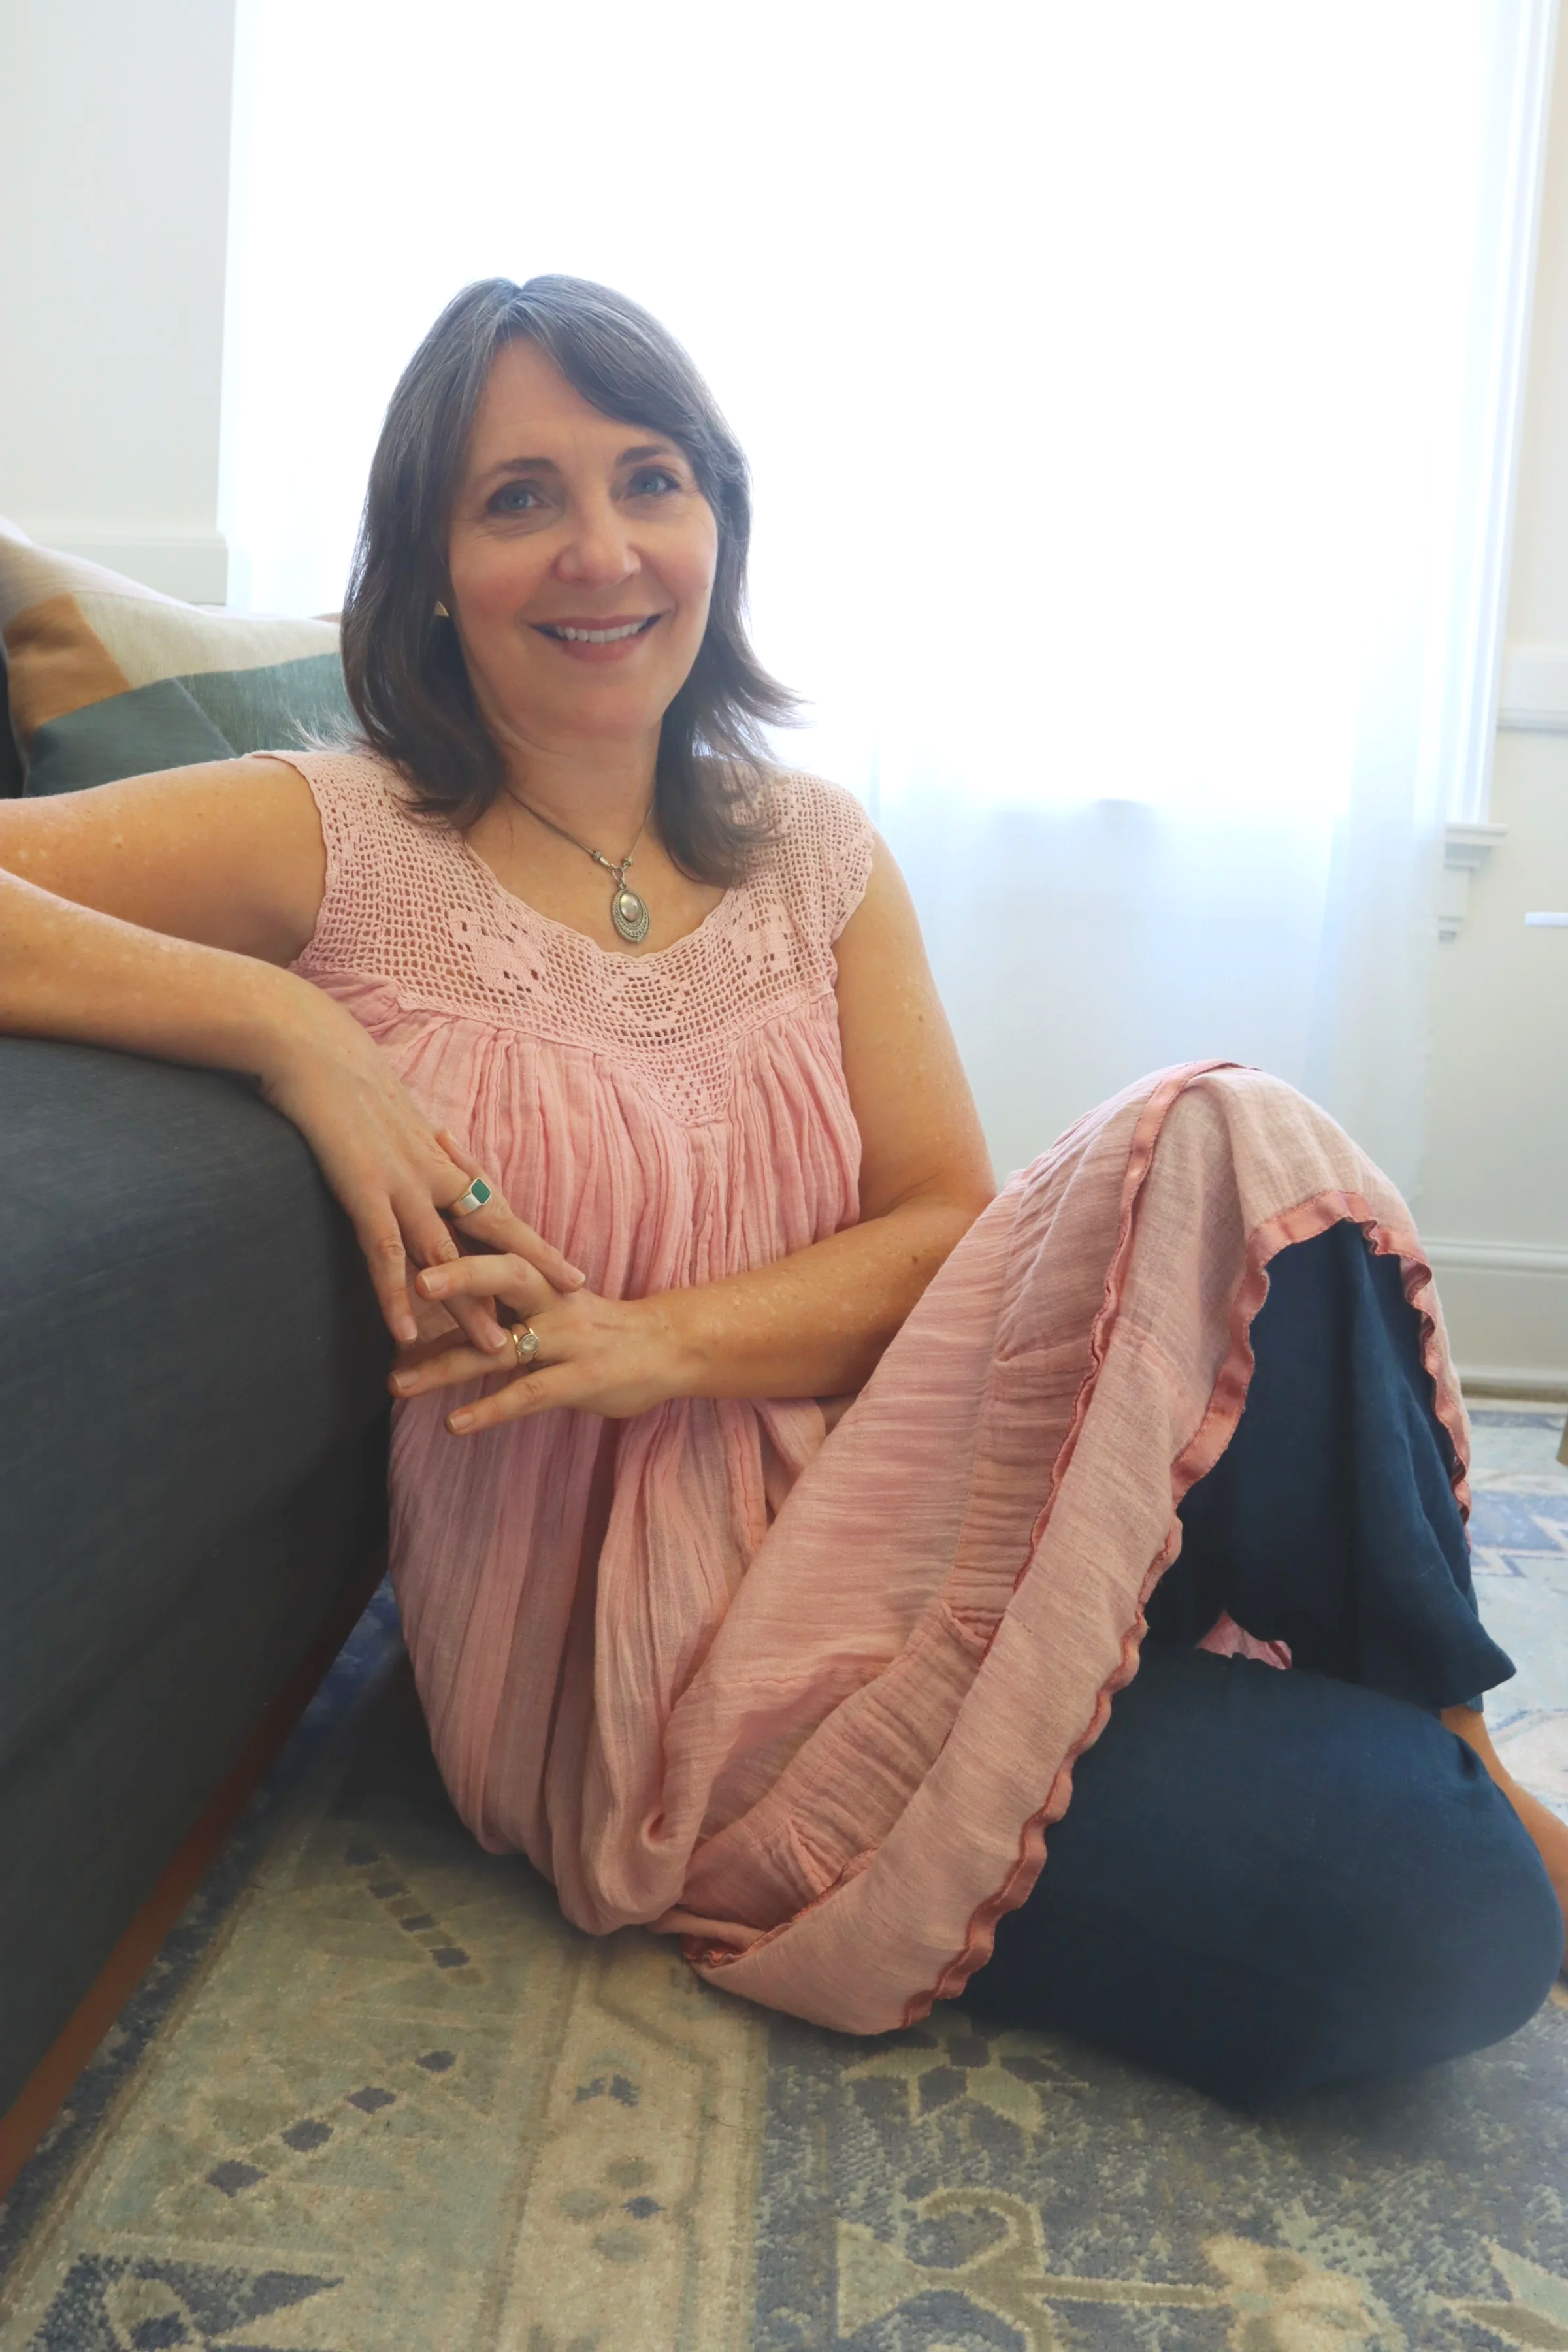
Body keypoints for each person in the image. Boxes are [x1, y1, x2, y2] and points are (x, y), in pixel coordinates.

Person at [1, 276, 1561, 2113]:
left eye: (651, 480)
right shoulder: (325, 833)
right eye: (520, 499)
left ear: (719, 527)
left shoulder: (815, 847)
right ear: (426, 564)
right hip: (687, 1675)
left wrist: (662, 1343)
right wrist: (290, 1027)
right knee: (1438, 1920)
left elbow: (933, 1225)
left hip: (901, 1479)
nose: (603, 549)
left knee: (1235, 1147)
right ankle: (1412, 1768)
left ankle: (1443, 1721)